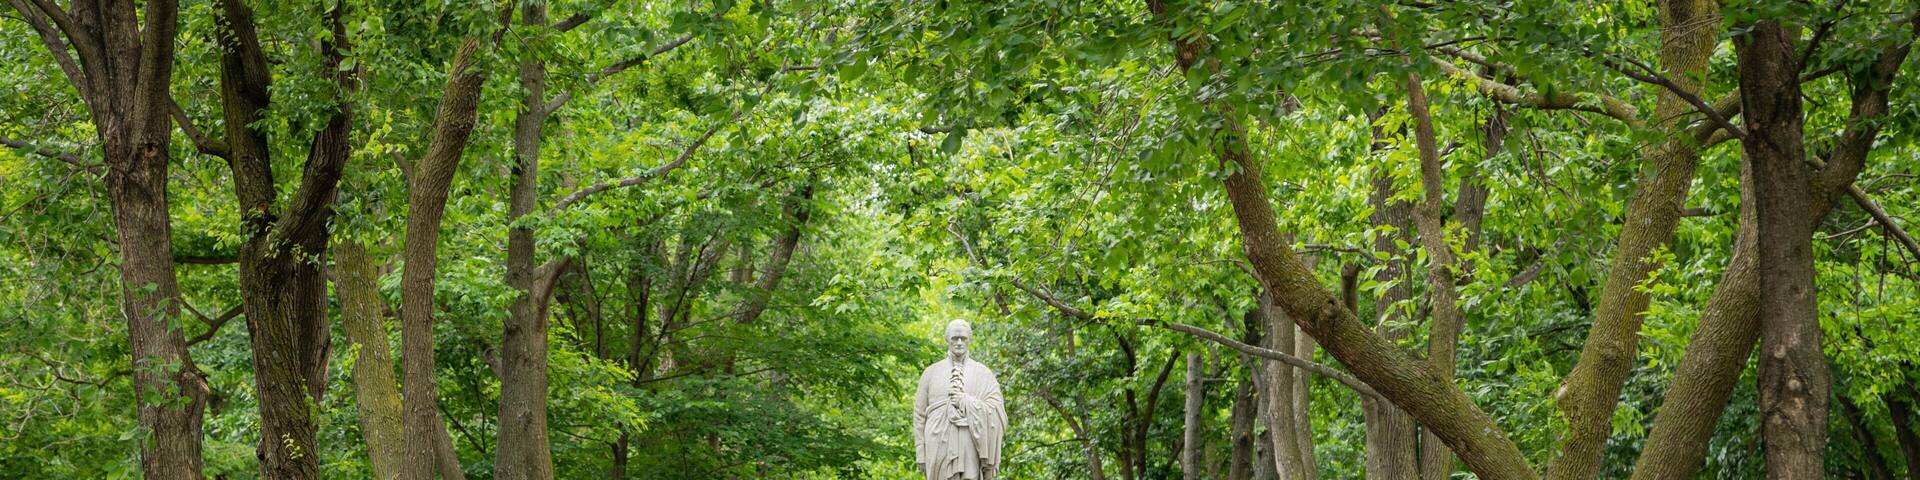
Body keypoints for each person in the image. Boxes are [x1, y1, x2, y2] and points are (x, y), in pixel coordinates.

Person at [913, 319, 1006, 480]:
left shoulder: (984, 373)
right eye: (955, 338)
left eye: (963, 338)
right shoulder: (930, 373)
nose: (959, 342)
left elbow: (997, 411)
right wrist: (921, 452)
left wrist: (967, 402)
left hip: (969, 444)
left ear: (969, 340)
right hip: (936, 445)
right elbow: (919, 416)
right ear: (946, 339)